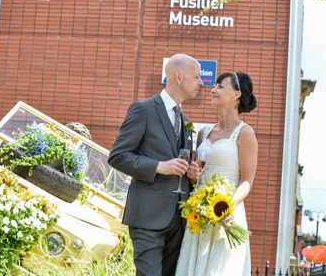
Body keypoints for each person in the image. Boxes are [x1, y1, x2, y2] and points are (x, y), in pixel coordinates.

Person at [108, 54, 203, 276]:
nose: (202, 83)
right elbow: (118, 155)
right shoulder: (143, 110)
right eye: (197, 77)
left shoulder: (186, 121)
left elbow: (180, 163)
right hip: (147, 217)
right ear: (179, 77)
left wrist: (190, 173)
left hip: (179, 220)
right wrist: (159, 166)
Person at [175, 72, 258, 276]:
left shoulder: (245, 133)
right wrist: (193, 175)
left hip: (226, 213)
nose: (212, 90)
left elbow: (247, 181)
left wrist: (227, 206)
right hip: (199, 215)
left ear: (236, 94)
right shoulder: (204, 133)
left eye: (220, 86)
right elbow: (197, 173)